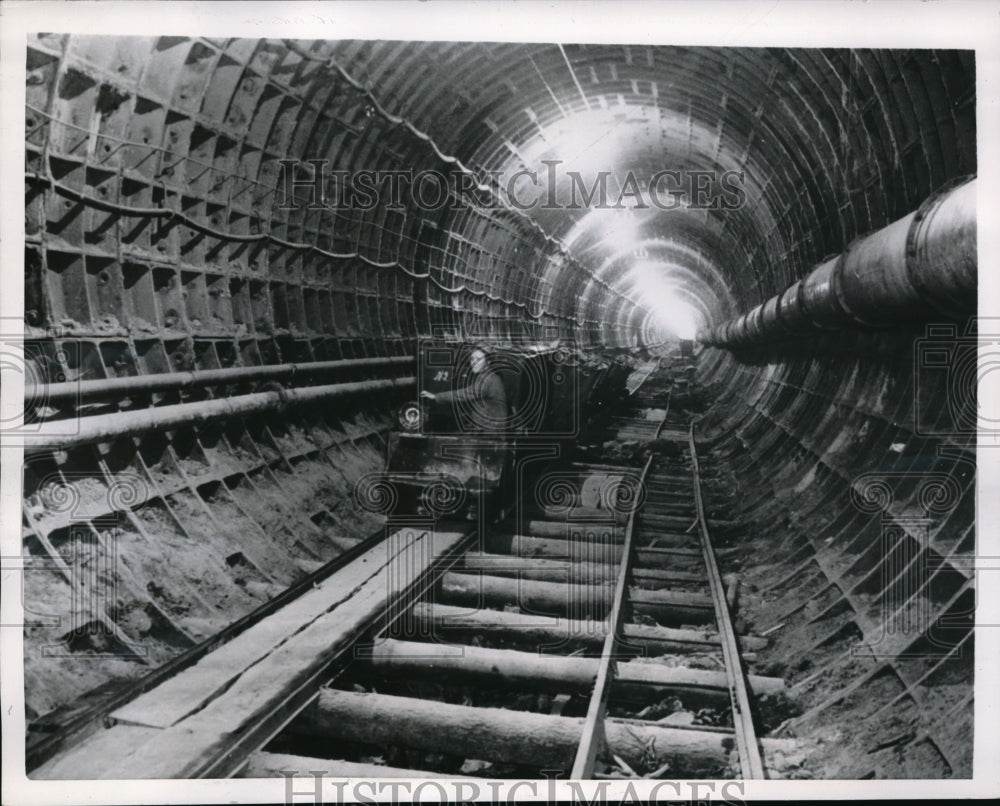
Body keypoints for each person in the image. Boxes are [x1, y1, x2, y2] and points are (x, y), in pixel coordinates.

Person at [420, 345, 508, 433]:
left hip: (491, 431)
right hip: (487, 427)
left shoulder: (489, 378)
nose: (474, 362)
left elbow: (466, 394)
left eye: (478, 359)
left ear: (488, 362)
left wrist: (436, 396)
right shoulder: (485, 376)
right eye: (472, 359)